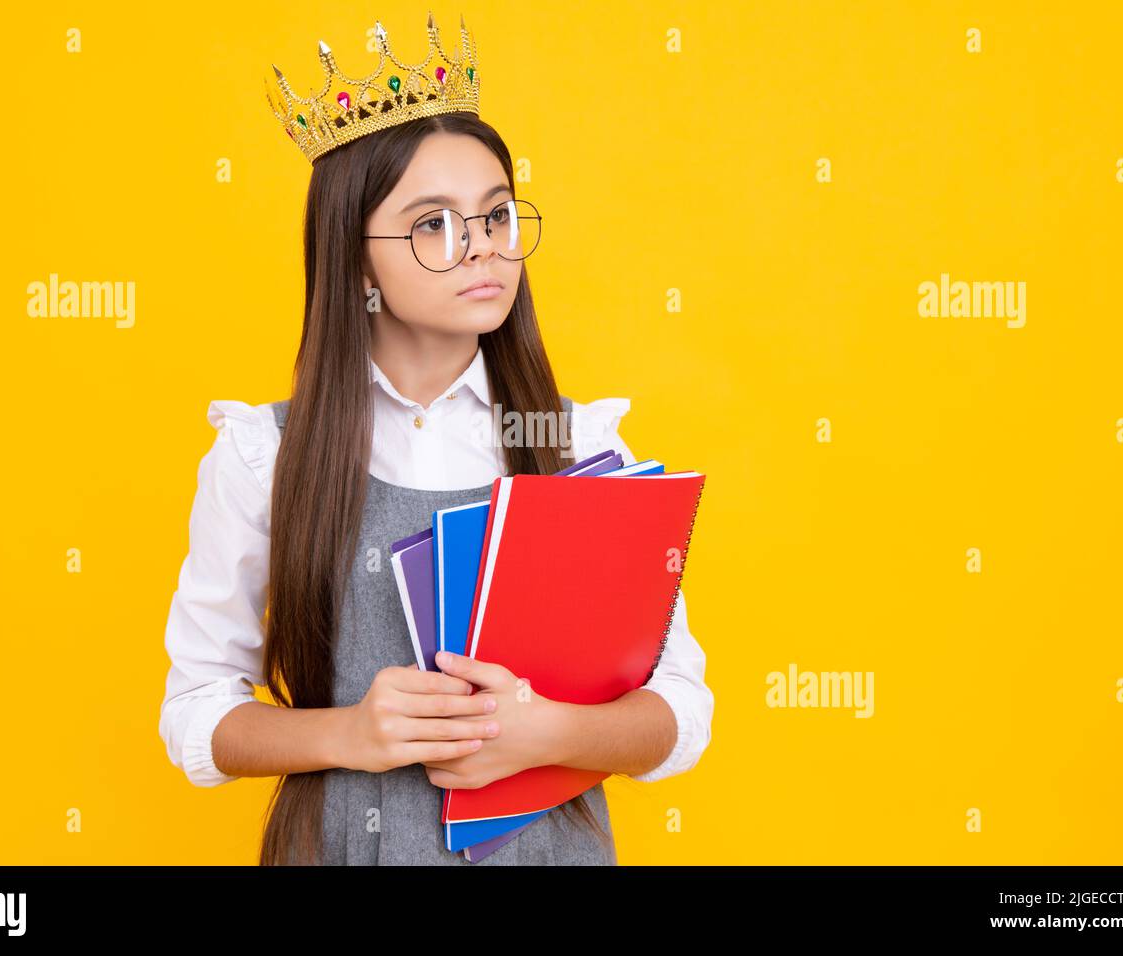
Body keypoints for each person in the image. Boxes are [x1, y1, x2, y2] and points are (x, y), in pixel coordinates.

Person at [158, 13, 713, 865]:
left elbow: (680, 714)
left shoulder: (574, 443)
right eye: (432, 225)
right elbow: (196, 712)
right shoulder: (263, 455)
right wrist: (350, 732)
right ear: (354, 259)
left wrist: (545, 732)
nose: (481, 249)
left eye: (495, 216)